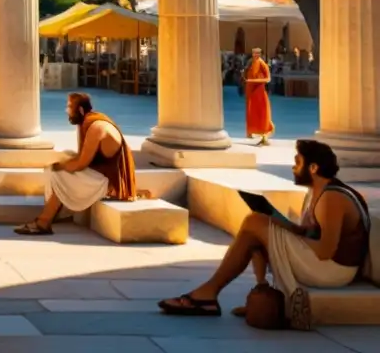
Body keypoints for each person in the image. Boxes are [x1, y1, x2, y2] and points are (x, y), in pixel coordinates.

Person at [159, 140, 371, 329]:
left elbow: (326, 250)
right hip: (322, 262)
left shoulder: (332, 198)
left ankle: (209, 294)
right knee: (258, 227)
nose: (293, 168)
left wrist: (289, 236)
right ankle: (261, 294)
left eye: (298, 163)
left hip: (335, 271)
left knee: (255, 223)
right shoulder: (315, 192)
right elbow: (311, 233)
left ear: (313, 168)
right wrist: (286, 227)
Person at [14, 92, 136, 236]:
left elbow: (80, 164)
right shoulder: (86, 123)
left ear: (80, 110)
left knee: (58, 174)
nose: (66, 110)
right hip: (99, 173)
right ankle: (54, 212)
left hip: (110, 182)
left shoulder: (96, 128)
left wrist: (58, 166)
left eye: (69, 107)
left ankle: (43, 222)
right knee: (62, 160)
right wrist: (60, 164)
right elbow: (81, 158)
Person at [244, 47, 274, 145]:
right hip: (252, 92)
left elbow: (268, 78)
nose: (255, 55)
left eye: (257, 53)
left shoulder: (262, 64)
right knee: (253, 113)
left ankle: (265, 134)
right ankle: (253, 132)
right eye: (254, 53)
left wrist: (253, 81)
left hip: (260, 92)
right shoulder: (252, 63)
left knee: (262, 114)